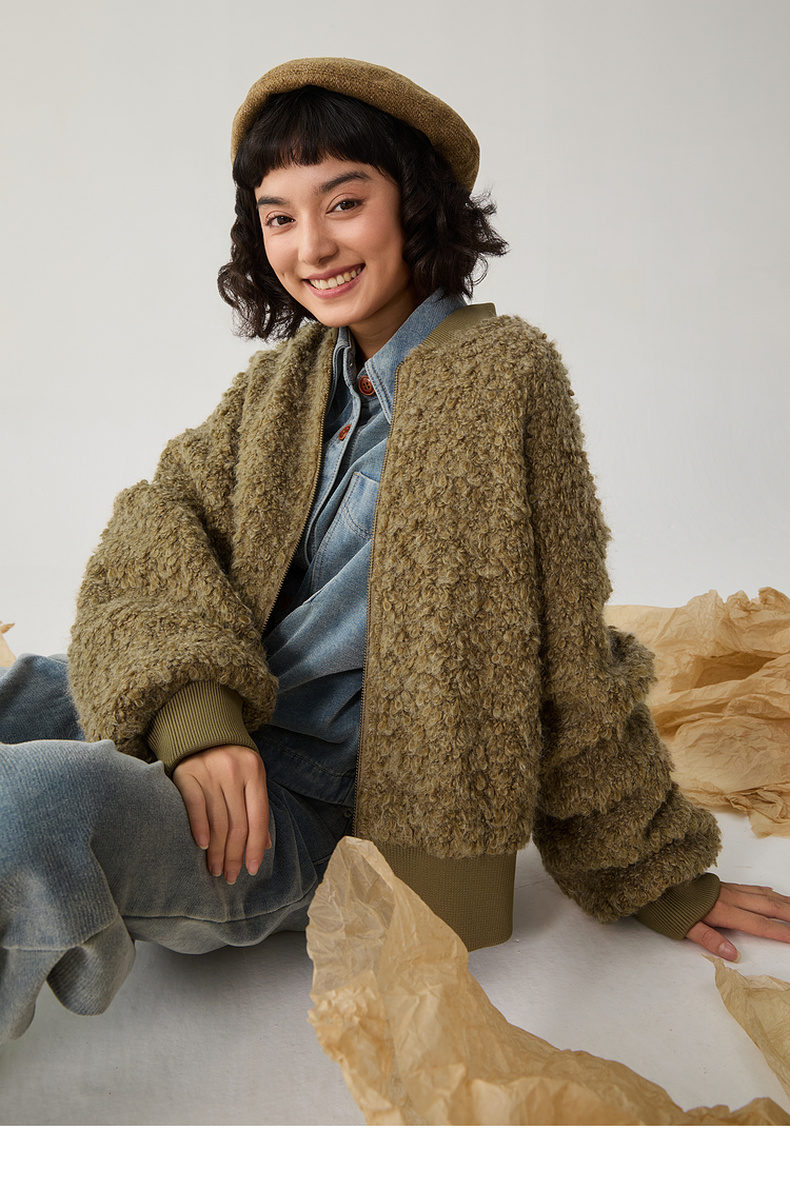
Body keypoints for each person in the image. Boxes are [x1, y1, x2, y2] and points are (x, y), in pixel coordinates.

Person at [1, 57, 788, 1045]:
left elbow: (569, 654)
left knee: (32, 801)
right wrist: (197, 716)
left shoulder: (501, 380)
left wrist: (654, 874)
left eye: (343, 202)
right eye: (279, 217)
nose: (311, 246)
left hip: (313, 812)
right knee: (21, 692)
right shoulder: (287, 381)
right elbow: (157, 528)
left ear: (412, 201)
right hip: (223, 719)